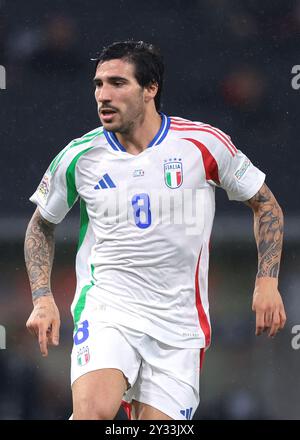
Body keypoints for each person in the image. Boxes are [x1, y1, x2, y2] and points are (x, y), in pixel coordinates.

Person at [25, 40, 286, 420]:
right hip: (108, 309)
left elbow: (266, 205)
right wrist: (43, 297)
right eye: (98, 85)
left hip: (179, 325)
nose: (103, 95)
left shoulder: (202, 144)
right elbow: (40, 226)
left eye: (117, 83)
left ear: (150, 89)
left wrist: (267, 281)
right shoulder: (79, 156)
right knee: (93, 412)